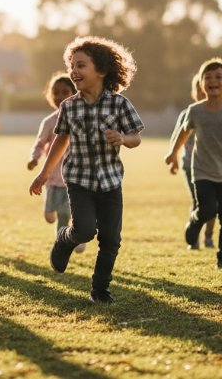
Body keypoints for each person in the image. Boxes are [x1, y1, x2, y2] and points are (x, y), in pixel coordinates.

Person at [29, 36, 144, 304]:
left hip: (110, 182)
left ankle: (100, 290)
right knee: (83, 231)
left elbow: (135, 137)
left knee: (111, 240)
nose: (74, 71)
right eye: (71, 65)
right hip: (79, 180)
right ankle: (64, 240)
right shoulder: (69, 106)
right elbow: (61, 139)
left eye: (81, 65)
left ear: (101, 71)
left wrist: (123, 139)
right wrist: (44, 173)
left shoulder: (119, 104)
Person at [164, 57, 222, 270]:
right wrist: (173, 154)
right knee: (208, 210)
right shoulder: (195, 110)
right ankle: (194, 224)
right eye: (208, 77)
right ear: (202, 84)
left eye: (218, 77)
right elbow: (184, 133)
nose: (213, 80)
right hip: (202, 170)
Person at [27, 73, 86, 254]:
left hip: (74, 179)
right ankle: (68, 235)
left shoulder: (81, 118)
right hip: (52, 179)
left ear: (75, 93)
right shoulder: (49, 121)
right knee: (50, 216)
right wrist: (34, 158)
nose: (60, 96)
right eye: (56, 92)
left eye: (65, 92)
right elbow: (40, 143)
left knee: (66, 215)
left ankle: (72, 241)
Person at [168, 72, 216, 249]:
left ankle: (209, 237)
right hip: (191, 166)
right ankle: (193, 239)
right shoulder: (187, 113)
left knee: (213, 205)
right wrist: (173, 159)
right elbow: (176, 138)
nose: (201, 91)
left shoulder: (216, 114)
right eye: (198, 88)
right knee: (198, 202)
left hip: (213, 166)